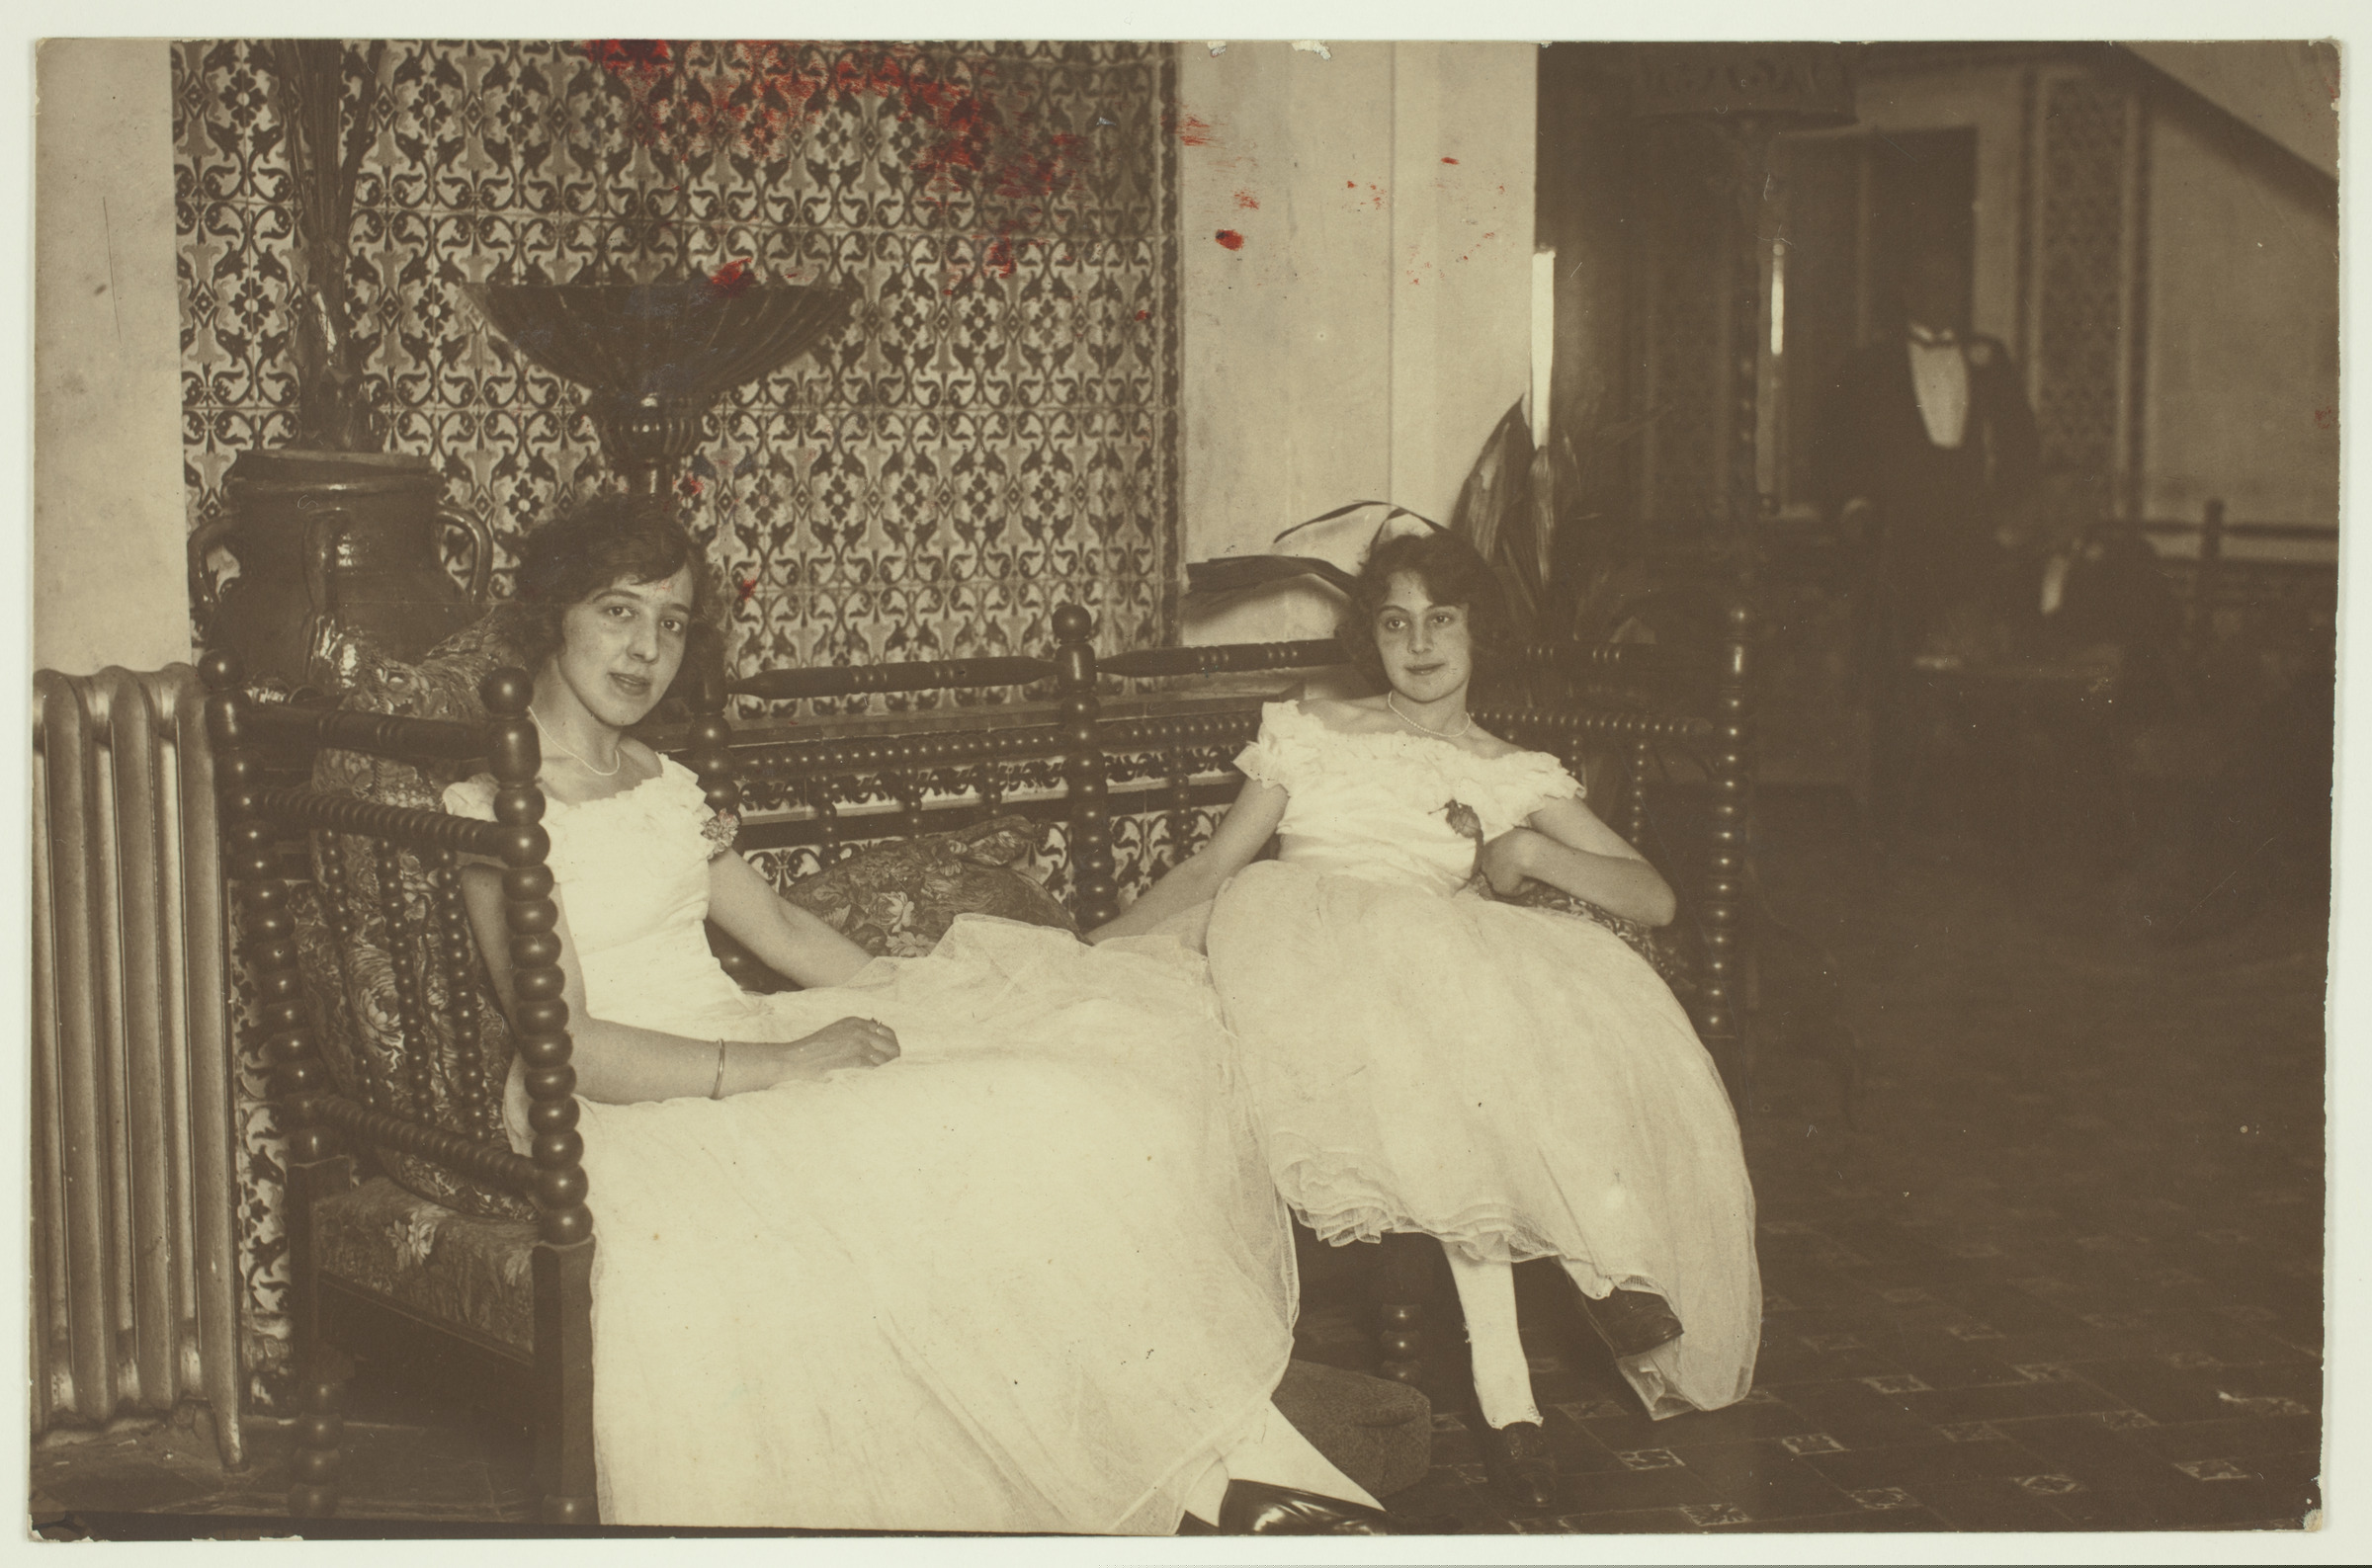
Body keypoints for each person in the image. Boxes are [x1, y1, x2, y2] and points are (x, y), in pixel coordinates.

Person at [442, 496, 1389, 1534]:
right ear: (553, 614)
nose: (645, 649)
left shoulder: (661, 780)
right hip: (622, 1103)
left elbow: (783, 931)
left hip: (737, 1044)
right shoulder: (498, 805)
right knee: (928, 1149)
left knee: (1060, 1099)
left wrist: (925, 1007)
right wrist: (786, 1064)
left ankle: (1234, 1473)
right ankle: (1236, 1488)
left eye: (671, 622)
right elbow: (571, 1045)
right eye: (618, 611)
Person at [1088, 531, 1761, 1510]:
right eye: (1396, 622)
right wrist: (1095, 946)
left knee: (1454, 1035)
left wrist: (1527, 851)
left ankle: (1524, 1384)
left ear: (1479, 632)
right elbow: (1214, 867)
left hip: (1423, 982)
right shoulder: (1312, 728)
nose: (1419, 643)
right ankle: (1580, 1305)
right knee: (1443, 1023)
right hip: (1293, 955)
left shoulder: (1510, 769)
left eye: (1441, 619)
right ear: (1372, 638)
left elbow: (1652, 897)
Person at [1812, 240, 2041, 837]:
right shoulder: (1871, 365)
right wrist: (1855, 507)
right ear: (1907, 292)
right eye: (1931, 282)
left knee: (1978, 675)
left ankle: (1977, 820)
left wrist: (2012, 517)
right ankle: (1895, 822)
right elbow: (1835, 449)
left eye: (1954, 284)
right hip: (1899, 544)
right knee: (1897, 679)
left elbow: (2021, 444)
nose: (1945, 295)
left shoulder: (1989, 358)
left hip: (1972, 544)